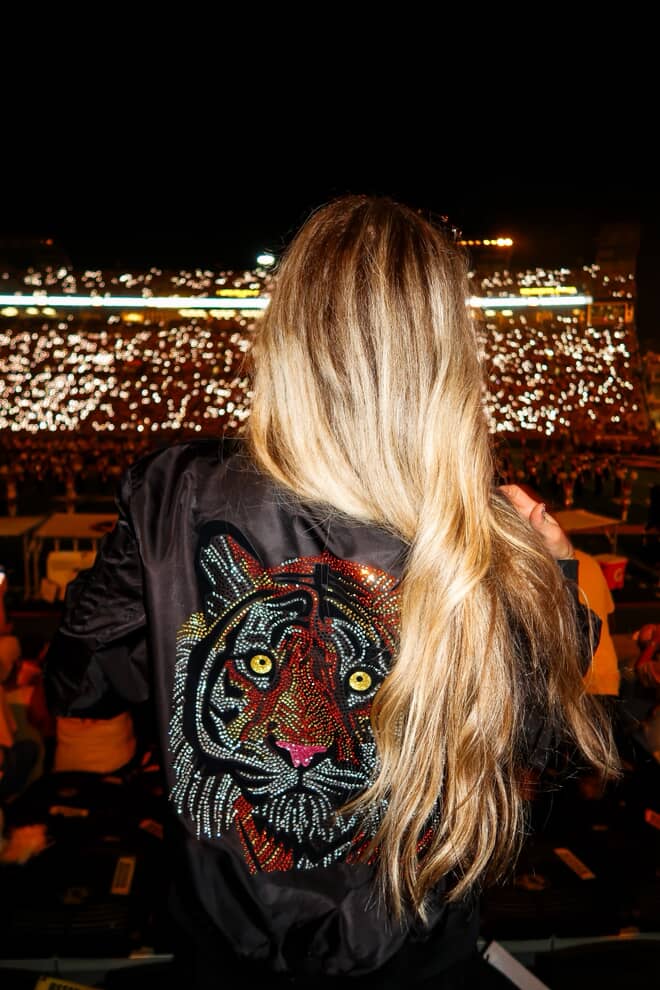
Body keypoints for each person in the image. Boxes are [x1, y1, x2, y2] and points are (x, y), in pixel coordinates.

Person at [43, 196, 619, 989]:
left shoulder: (175, 494)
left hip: (224, 960)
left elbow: (84, 679)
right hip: (422, 962)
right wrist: (556, 584)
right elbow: (539, 749)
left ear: (283, 339)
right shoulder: (494, 537)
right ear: (448, 358)